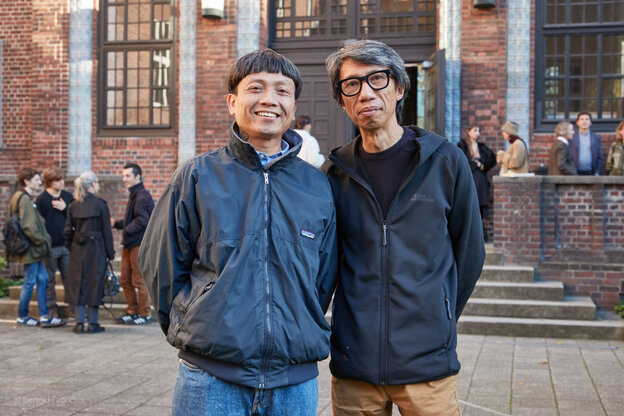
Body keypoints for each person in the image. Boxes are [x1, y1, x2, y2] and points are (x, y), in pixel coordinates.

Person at [138, 49, 338, 415]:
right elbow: (161, 264)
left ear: (292, 106)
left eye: (282, 90)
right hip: (210, 379)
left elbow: (322, 277)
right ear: (233, 102)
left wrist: (296, 321)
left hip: (294, 384)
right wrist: (195, 322)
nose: (269, 99)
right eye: (256, 88)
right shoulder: (197, 176)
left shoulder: (317, 185)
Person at [323, 39, 484, 415]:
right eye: (352, 85)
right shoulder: (333, 175)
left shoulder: (445, 161)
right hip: (354, 367)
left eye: (377, 79)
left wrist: (437, 318)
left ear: (398, 88)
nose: (365, 93)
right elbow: (324, 266)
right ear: (343, 100)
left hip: (427, 366)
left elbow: (470, 253)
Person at [8, 167, 67, 328]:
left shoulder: (22, 197)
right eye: (36, 180)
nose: (39, 182)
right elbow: (28, 226)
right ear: (27, 181)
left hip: (35, 249)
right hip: (33, 248)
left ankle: (45, 316)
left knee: (43, 279)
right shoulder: (24, 199)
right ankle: (22, 316)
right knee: (30, 281)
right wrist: (42, 242)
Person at [64, 171, 115, 334]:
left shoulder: (73, 205)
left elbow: (67, 231)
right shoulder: (100, 204)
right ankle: (92, 323)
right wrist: (110, 252)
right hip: (97, 249)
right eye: (97, 182)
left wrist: (71, 246)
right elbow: (107, 231)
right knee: (95, 282)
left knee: (78, 283)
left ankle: (79, 323)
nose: (99, 185)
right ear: (92, 184)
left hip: (77, 249)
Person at [111, 162, 155, 325]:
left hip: (138, 244)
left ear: (138, 177)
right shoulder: (134, 194)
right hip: (129, 244)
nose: (124, 179)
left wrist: (126, 229)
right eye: (123, 176)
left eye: (128, 175)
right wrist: (117, 223)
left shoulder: (142, 196)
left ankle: (145, 314)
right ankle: (132, 311)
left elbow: (143, 221)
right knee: (125, 280)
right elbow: (133, 219)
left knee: (138, 280)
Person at [36, 166, 74, 318]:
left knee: (70, 278)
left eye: (62, 179)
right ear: (49, 182)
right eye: (58, 180)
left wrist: (65, 208)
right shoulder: (42, 199)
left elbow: (74, 216)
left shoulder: (67, 196)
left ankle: (73, 307)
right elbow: (39, 223)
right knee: (49, 280)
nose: (62, 183)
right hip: (50, 247)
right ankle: (52, 309)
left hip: (66, 245)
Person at [458, 125, 497, 241]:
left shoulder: (482, 147)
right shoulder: (462, 145)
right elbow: (461, 160)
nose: (477, 133)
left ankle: (481, 234)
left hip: (481, 180)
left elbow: (492, 159)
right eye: (475, 130)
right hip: (470, 178)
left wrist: (483, 165)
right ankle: (468, 234)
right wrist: (475, 164)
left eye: (479, 130)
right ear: (469, 132)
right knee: (469, 205)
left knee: (480, 206)